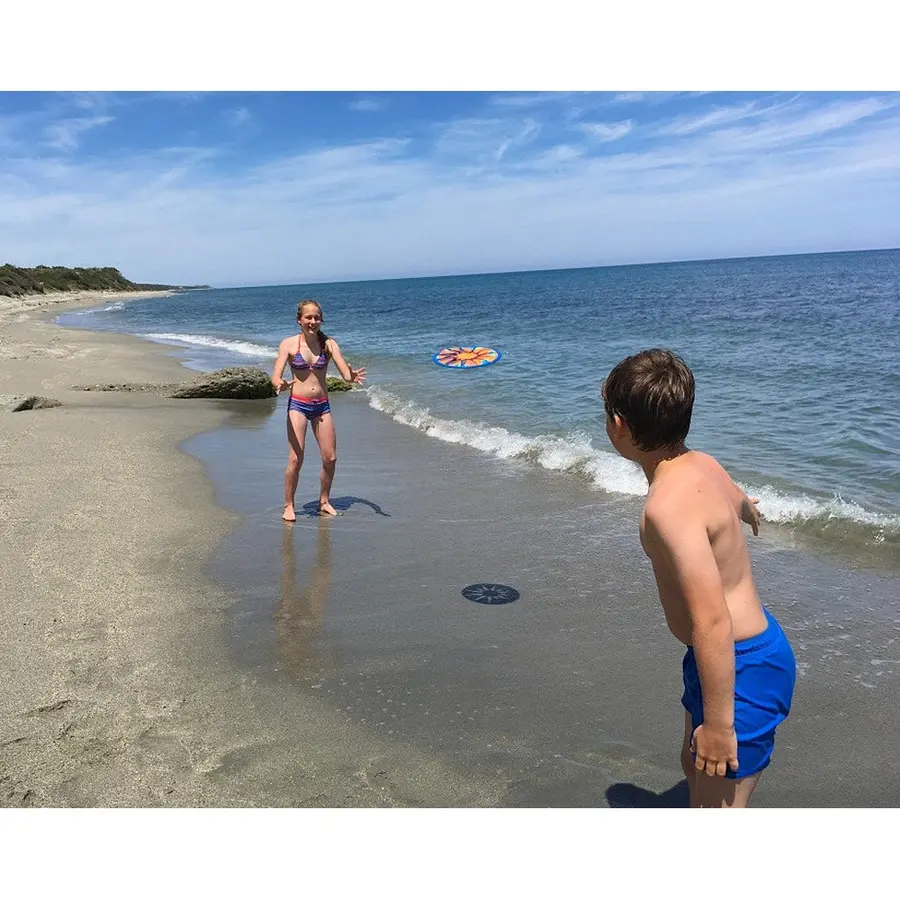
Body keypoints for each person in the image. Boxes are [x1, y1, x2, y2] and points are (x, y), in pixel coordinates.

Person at [602, 348, 796, 808]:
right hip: (722, 657)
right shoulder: (702, 463)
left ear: (618, 425)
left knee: (717, 806)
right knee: (693, 764)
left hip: (739, 664)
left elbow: (712, 620)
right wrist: (747, 511)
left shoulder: (666, 509)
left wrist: (721, 725)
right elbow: (737, 499)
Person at [271, 299, 366, 521]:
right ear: (299, 320)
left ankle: (324, 501)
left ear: (321, 320)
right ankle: (289, 505)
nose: (313, 321)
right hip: (298, 405)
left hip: (322, 406)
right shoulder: (288, 345)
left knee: (330, 458)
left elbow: (344, 374)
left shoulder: (329, 344)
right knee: (296, 458)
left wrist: (351, 377)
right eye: (308, 317)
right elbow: (275, 375)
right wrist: (280, 383)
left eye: (316, 317)